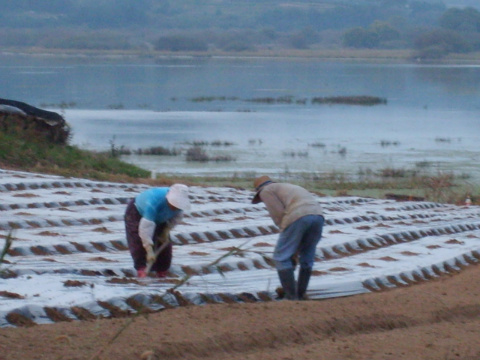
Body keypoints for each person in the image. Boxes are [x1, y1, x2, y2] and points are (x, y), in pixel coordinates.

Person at [252, 176, 324, 300]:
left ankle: (290, 297)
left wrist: (285, 233)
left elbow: (278, 215)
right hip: (318, 215)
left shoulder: (266, 190)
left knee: (281, 257)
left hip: (298, 214)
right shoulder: (286, 187)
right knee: (307, 256)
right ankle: (300, 294)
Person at [124, 184, 191, 278]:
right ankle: (142, 272)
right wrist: (149, 249)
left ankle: (162, 273)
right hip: (138, 213)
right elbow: (145, 228)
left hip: (160, 218)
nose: (174, 208)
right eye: (173, 205)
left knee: (164, 247)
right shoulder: (154, 201)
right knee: (139, 243)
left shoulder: (179, 207)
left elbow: (176, 218)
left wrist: (166, 231)